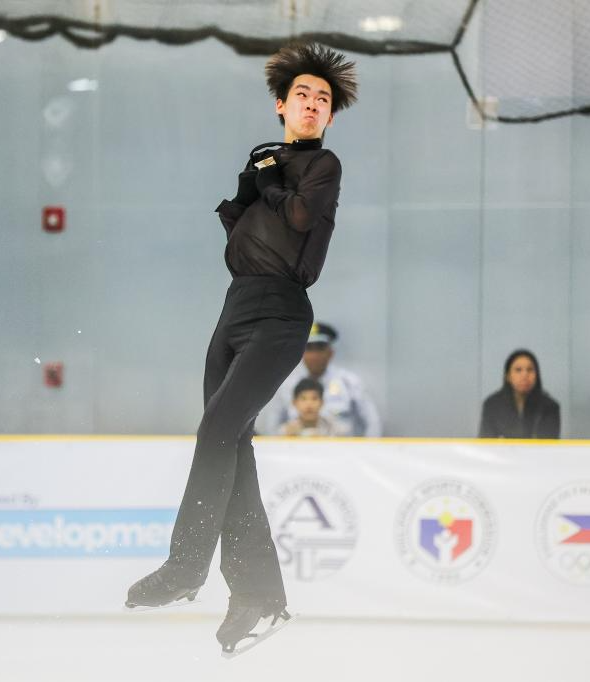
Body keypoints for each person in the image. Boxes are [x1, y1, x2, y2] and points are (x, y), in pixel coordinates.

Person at [124, 43, 358, 655]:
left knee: (216, 431)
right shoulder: (266, 159)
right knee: (232, 445)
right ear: (281, 104)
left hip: (281, 312)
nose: (312, 104)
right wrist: (252, 182)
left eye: (323, 99)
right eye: (302, 95)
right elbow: (240, 230)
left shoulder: (323, 164)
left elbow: (299, 217)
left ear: (329, 116)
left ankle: (186, 565)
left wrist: (269, 180)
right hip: (235, 307)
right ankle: (257, 596)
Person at [265, 322, 382, 437]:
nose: (314, 355)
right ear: (301, 353)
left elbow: (372, 422)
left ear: (330, 352)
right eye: (309, 348)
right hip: (296, 448)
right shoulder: (287, 385)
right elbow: (273, 427)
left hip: (341, 447)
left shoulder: (349, 382)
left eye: (320, 348)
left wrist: (367, 448)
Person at [478, 349, 560, 439]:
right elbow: (486, 441)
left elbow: (548, 444)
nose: (525, 375)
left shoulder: (549, 407)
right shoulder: (492, 405)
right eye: (518, 370)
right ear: (508, 376)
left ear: (536, 376)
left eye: (530, 370)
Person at [278, 378, 349, 437]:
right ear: (294, 403)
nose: (309, 404)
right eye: (303, 399)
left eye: (314, 398)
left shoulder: (336, 430)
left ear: (322, 402)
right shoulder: (285, 432)